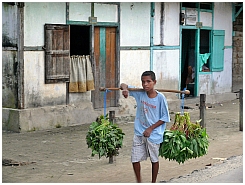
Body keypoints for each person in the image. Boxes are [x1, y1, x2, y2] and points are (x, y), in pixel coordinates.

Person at [120, 71, 170, 183]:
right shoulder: (139, 93)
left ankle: (153, 182)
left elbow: (165, 117)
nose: (145, 84)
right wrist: (125, 89)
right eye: (143, 82)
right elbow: (123, 84)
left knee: (154, 160)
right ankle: (139, 182)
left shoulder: (160, 98)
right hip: (139, 132)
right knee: (135, 159)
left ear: (154, 82)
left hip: (154, 134)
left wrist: (151, 128)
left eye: (148, 81)